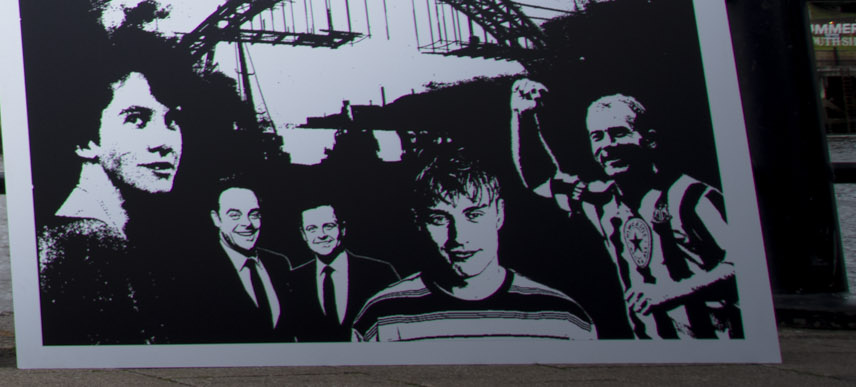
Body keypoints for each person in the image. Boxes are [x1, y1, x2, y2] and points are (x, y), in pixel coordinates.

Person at [511, 78, 740, 338]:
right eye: (597, 137)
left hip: (714, 348)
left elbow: (742, 267)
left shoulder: (693, 196)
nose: (607, 145)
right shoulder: (602, 200)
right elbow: (540, 180)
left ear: (649, 140)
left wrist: (672, 292)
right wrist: (524, 116)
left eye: (619, 133)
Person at [353, 145, 594, 341]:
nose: (458, 237)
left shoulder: (564, 318)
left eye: (474, 215)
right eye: (439, 219)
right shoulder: (380, 318)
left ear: (499, 213)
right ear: (419, 222)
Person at [35, 48, 184, 344]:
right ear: (86, 141)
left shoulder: (100, 237)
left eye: (171, 121)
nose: (165, 142)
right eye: (137, 120)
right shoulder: (85, 244)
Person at [177, 185, 287, 341]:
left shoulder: (278, 264)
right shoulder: (199, 271)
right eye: (235, 215)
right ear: (216, 219)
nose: (247, 223)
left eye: (254, 215)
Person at [285, 201, 397, 341]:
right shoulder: (293, 281)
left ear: (342, 229)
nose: (321, 235)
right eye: (312, 229)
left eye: (329, 226)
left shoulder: (380, 273)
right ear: (303, 234)